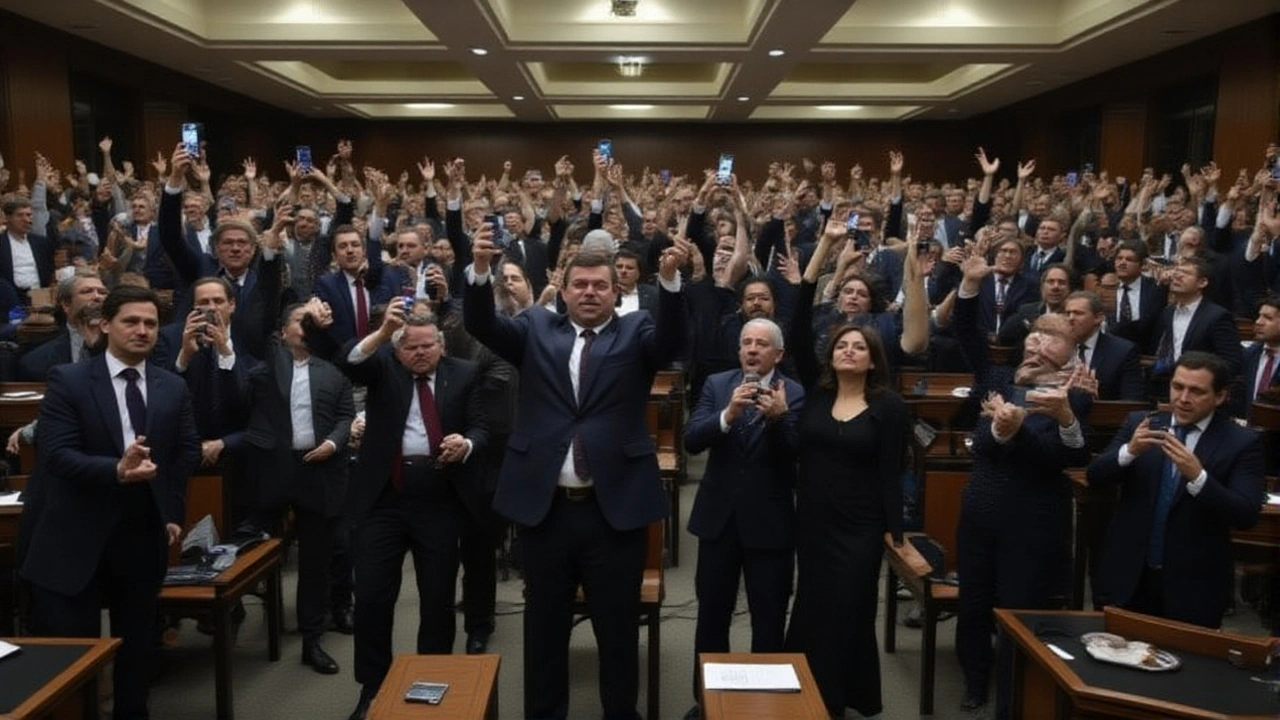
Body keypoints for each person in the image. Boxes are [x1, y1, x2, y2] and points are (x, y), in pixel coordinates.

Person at [463, 224, 688, 720]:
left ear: (617, 290)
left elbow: (673, 339)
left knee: (617, 632)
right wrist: (480, 271)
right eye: (579, 285)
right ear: (563, 291)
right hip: (547, 512)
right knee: (543, 630)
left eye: (600, 285)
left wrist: (670, 282)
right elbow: (482, 326)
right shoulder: (536, 327)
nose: (589, 292)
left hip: (615, 512)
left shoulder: (638, 329)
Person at [21, 285, 201, 720]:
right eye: (131, 322)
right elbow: (57, 455)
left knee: (137, 652)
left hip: (139, 536)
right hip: (74, 536)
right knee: (74, 663)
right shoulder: (71, 380)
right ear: (105, 325)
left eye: (151, 324)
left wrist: (172, 512)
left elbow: (185, 453)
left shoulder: (172, 387)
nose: (142, 331)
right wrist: (115, 471)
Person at [949, 251, 1092, 717]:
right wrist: (969, 287)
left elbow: (1064, 458)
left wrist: (1021, 430)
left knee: (1016, 614)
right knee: (971, 607)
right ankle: (974, 681)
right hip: (980, 516)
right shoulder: (997, 377)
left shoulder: (1075, 396)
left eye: (1050, 340)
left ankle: (1011, 697)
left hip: (1031, 524)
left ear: (1071, 354)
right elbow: (966, 334)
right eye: (1033, 336)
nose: (1036, 345)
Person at [782, 217, 914, 718]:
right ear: (832, 356)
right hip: (813, 519)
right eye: (842, 345)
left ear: (872, 358)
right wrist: (824, 253)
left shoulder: (889, 407)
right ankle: (812, 691)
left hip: (861, 527)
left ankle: (837, 700)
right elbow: (796, 327)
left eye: (859, 346)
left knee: (850, 609)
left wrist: (894, 531)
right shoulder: (816, 396)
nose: (850, 350)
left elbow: (891, 470)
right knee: (814, 606)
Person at [338, 309, 488, 720]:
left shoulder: (465, 372)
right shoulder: (381, 368)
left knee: (437, 601)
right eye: (412, 347)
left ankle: (432, 679)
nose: (422, 354)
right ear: (397, 350)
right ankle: (373, 686)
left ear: (441, 345)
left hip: (439, 501)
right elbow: (349, 360)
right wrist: (383, 331)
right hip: (383, 502)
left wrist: (468, 443)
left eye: (429, 346)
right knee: (370, 598)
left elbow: (483, 425)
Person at [1087, 352, 1264, 628]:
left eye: (1196, 391)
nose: (1183, 398)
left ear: (1220, 396)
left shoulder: (1241, 443)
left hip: (1192, 588)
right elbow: (1095, 477)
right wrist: (1129, 451)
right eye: (1178, 387)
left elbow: (1246, 514)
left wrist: (1199, 478)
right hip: (1128, 578)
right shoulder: (1141, 424)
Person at [682, 318, 804, 719]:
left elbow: (798, 460)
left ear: (778, 354)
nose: (753, 349)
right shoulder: (718, 385)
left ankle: (764, 707)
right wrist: (728, 415)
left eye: (762, 344)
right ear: (738, 351)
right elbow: (692, 438)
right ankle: (706, 704)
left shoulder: (797, 393)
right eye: (746, 343)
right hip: (719, 521)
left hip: (769, 524)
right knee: (712, 617)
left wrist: (779, 418)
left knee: (768, 620)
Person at [240, 298, 354, 674]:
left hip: (318, 468)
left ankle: (312, 638)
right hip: (275, 470)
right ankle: (256, 623)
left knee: (316, 561)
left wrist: (335, 442)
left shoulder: (332, 370)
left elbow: (345, 414)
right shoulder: (268, 366)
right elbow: (256, 321)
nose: (305, 327)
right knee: (258, 551)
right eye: (299, 321)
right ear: (282, 332)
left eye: (311, 322)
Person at [1062, 291, 1145, 401]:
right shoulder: (1056, 348)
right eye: (1067, 313)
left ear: (1098, 318)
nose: (1070, 318)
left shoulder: (1123, 351)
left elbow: (1132, 401)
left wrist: (1095, 398)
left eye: (1078, 313)